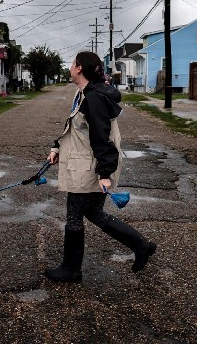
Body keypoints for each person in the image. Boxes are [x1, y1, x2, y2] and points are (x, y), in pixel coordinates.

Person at [45, 51, 157, 282]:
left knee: (75, 218)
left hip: (88, 169)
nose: (71, 66)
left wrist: (104, 173)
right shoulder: (84, 93)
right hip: (86, 165)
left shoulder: (93, 98)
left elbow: (101, 138)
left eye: (73, 62)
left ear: (79, 69)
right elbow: (77, 131)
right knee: (94, 213)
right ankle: (141, 245)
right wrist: (57, 148)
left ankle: (71, 269)